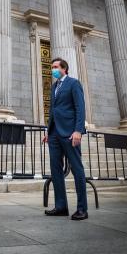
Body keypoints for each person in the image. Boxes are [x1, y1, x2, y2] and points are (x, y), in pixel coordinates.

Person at [44, 58, 88, 220]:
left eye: (55, 67)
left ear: (64, 69)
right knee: (56, 171)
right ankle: (61, 206)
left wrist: (78, 130)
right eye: (52, 67)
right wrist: (48, 132)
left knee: (77, 170)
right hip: (54, 134)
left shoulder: (73, 83)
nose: (53, 70)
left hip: (70, 133)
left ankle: (82, 209)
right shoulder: (54, 87)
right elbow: (53, 110)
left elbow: (80, 108)